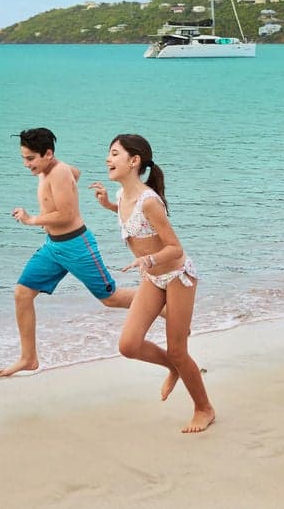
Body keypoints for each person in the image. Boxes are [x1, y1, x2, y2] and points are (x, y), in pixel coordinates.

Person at [90, 133, 216, 433]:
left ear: (134, 161)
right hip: (153, 277)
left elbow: (176, 248)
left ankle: (204, 408)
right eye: (109, 153)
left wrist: (148, 260)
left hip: (178, 277)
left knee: (178, 349)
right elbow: (133, 220)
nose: (108, 159)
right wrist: (109, 205)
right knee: (129, 345)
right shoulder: (123, 196)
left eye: (115, 153)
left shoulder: (149, 202)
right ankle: (172, 367)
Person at [1, 127, 132, 377]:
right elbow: (76, 173)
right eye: (24, 158)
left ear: (48, 154)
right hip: (53, 247)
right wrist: (65, 188)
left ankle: (162, 305)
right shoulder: (49, 169)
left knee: (111, 298)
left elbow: (66, 215)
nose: (27, 164)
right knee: (22, 293)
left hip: (76, 245)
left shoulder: (58, 172)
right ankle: (29, 358)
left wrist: (31, 219)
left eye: (31, 158)